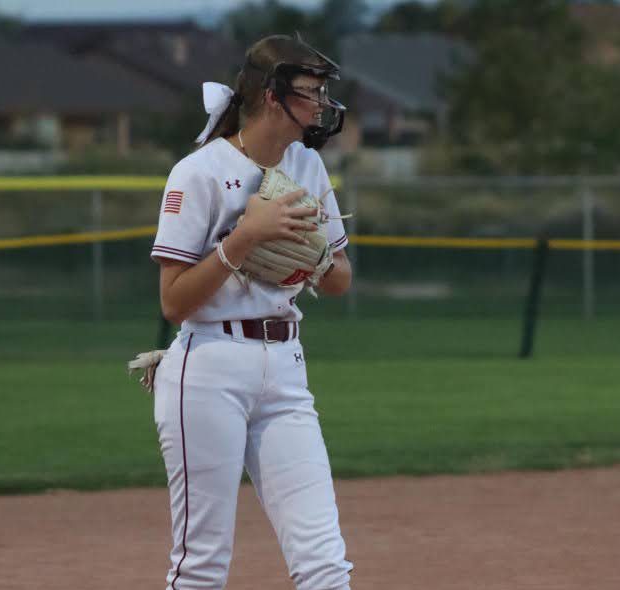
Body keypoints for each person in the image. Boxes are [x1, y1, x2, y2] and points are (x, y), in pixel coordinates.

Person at [150, 34, 353, 590]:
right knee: (201, 565)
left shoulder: (307, 166)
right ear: (271, 97)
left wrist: (311, 257)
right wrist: (244, 239)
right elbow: (173, 302)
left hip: (285, 366)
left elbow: (339, 279)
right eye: (310, 92)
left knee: (324, 562)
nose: (321, 105)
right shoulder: (199, 173)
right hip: (209, 367)